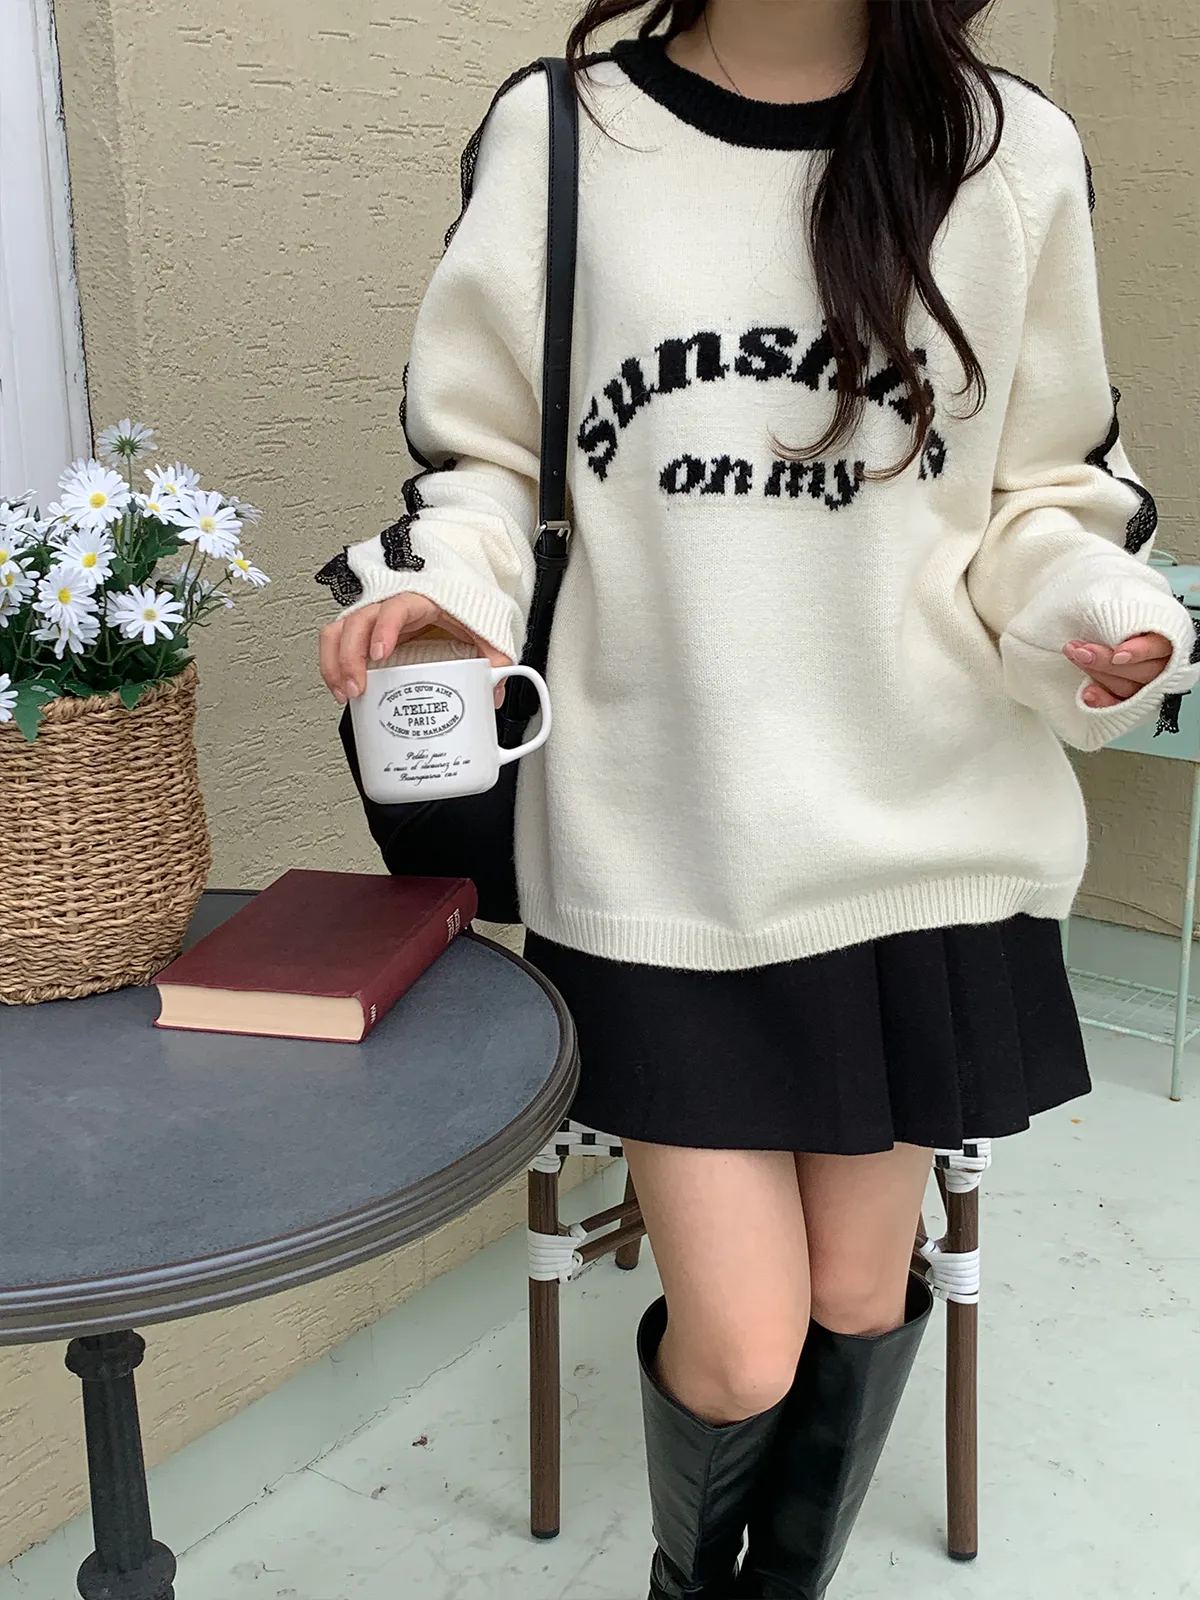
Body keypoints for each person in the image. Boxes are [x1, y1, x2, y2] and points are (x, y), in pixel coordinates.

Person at [317, 3, 1198, 1595]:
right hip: (663, 841)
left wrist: (1099, 615)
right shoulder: (566, 133)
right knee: (742, 1349)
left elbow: (1044, 493)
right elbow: (487, 462)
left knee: (859, 1297)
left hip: (918, 840)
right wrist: (443, 595)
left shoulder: (1008, 153)